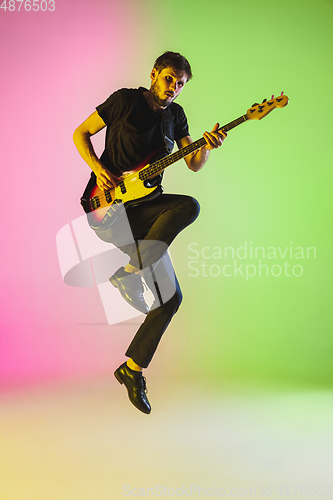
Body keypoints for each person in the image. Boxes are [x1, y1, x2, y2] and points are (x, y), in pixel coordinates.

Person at [73, 51, 227, 414]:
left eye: (181, 84)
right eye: (170, 78)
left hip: (147, 213)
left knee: (171, 296)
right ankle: (129, 273)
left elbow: (193, 163)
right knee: (182, 219)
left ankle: (132, 368)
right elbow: (81, 133)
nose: (174, 88)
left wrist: (206, 146)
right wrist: (97, 169)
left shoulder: (176, 117)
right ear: (155, 74)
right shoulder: (124, 100)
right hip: (109, 209)